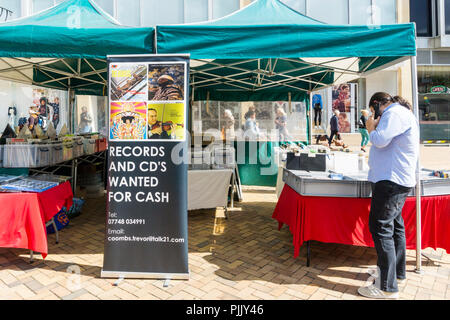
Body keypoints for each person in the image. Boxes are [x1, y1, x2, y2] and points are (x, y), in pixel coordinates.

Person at [357, 92, 419, 300]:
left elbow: (380, 140)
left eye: (373, 112)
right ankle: (395, 274)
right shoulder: (400, 113)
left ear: (376, 106)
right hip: (394, 180)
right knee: (394, 227)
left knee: (381, 228)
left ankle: (386, 287)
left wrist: (370, 128)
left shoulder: (393, 114)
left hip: (390, 181)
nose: (375, 116)